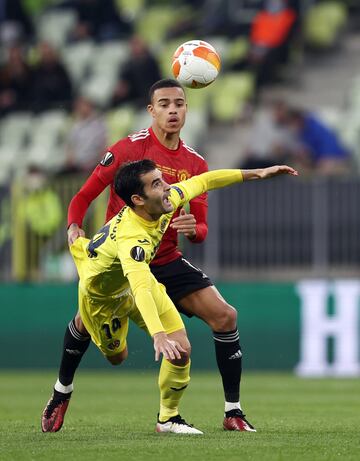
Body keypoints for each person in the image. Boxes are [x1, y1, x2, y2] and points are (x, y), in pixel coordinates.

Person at [42, 78, 275, 433]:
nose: (172, 110)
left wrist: (191, 228)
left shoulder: (194, 162)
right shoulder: (127, 150)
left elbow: (201, 226)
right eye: (164, 104)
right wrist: (74, 225)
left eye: (179, 104)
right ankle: (62, 391)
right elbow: (83, 195)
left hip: (164, 258)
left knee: (225, 317)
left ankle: (231, 411)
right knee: (102, 341)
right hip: (121, 262)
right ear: (151, 110)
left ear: (186, 109)